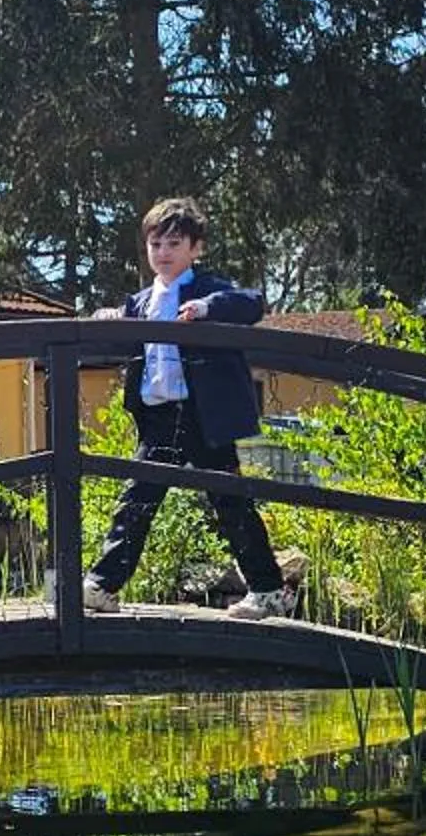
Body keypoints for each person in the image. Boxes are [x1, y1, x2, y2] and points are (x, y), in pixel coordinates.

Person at [79, 196, 293, 619]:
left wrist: (206, 308)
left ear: (196, 248)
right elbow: (123, 330)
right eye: (155, 244)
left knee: (230, 501)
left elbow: (251, 303)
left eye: (174, 244)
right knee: (136, 500)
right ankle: (103, 585)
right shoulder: (141, 302)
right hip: (160, 417)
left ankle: (268, 590)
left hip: (202, 415)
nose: (163, 253)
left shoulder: (207, 289)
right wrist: (109, 318)